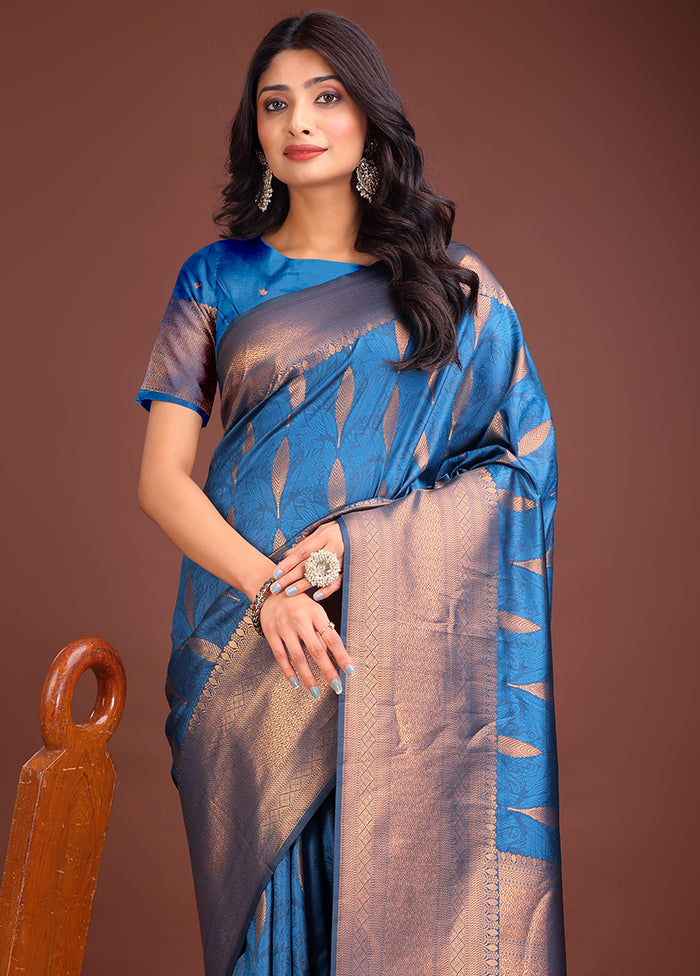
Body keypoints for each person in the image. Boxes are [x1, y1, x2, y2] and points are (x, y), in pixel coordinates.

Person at [136, 9, 567, 976]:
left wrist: (353, 545)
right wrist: (270, 591)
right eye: (275, 103)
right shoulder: (217, 278)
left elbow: (518, 470)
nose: (299, 121)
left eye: (326, 97)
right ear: (255, 131)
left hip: (389, 641)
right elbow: (161, 481)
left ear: (368, 117)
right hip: (242, 641)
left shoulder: (450, 288)